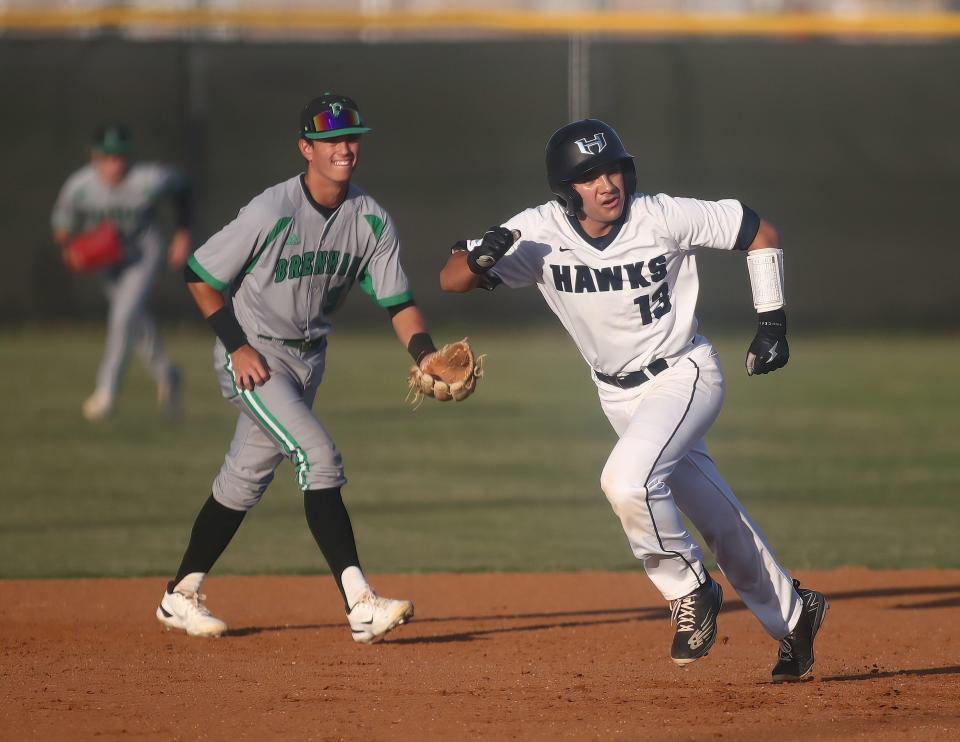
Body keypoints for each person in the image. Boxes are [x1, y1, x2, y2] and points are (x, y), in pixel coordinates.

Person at [439, 119, 828, 682]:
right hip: (618, 397)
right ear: (565, 189)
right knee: (719, 519)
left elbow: (759, 231)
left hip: (684, 375)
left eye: (614, 168)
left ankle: (690, 589)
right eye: (589, 175)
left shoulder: (661, 215)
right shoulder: (538, 231)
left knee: (625, 482)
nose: (606, 182)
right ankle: (795, 616)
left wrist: (772, 322)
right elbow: (452, 278)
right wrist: (476, 261)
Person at [156, 93, 441, 644]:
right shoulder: (271, 210)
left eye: (351, 139)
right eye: (330, 141)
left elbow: (398, 303)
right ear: (305, 148)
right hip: (255, 357)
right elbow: (200, 275)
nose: (343, 149)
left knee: (242, 482)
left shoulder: (371, 220)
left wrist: (424, 353)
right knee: (318, 456)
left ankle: (179, 594)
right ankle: (360, 603)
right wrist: (237, 346)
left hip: (310, 361)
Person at [51, 124, 191, 422]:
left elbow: (181, 186)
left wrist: (182, 233)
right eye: (108, 157)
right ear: (95, 157)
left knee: (122, 316)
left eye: (121, 156)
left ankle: (106, 393)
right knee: (134, 321)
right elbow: (61, 226)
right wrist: (71, 249)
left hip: (143, 253)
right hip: (109, 260)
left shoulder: (148, 179)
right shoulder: (80, 186)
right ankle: (168, 374)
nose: (116, 163)